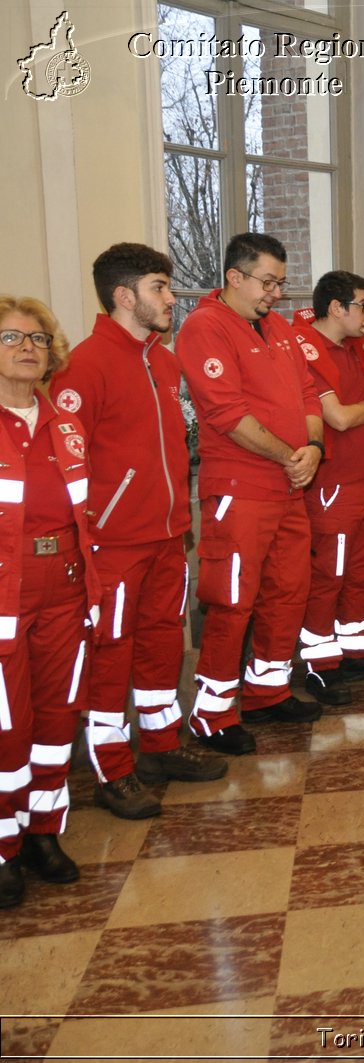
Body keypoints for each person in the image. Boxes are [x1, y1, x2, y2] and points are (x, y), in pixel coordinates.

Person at [49, 244, 227, 820]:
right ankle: (112, 769)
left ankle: (161, 745)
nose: (171, 298)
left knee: (160, 643)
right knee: (112, 654)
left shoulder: (165, 361)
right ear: (124, 296)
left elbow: (176, 442)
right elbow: (69, 462)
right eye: (159, 287)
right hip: (114, 545)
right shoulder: (85, 365)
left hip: (169, 534)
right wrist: (97, 529)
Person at [178, 232, 325, 756]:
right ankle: (212, 712)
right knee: (233, 600)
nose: (276, 294)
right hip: (240, 490)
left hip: (290, 486)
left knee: (289, 589)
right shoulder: (204, 327)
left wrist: (312, 446)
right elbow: (226, 415)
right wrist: (292, 456)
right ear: (234, 278)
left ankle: (267, 689)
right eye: (267, 282)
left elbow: (309, 393)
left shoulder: (279, 328)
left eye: (281, 283)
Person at [0, 297, 98, 907]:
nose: (27, 347)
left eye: (37, 338)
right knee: (9, 725)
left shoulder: (65, 423)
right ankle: (3, 844)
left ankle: (43, 830)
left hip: (64, 588)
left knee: (58, 716)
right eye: (11, 338)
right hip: (6, 594)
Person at [289, 270, 364, 705]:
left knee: (361, 570)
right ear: (337, 308)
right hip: (333, 483)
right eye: (361, 304)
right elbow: (337, 418)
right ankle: (321, 666)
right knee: (329, 575)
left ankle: (356, 652)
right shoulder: (305, 346)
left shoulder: (360, 346)